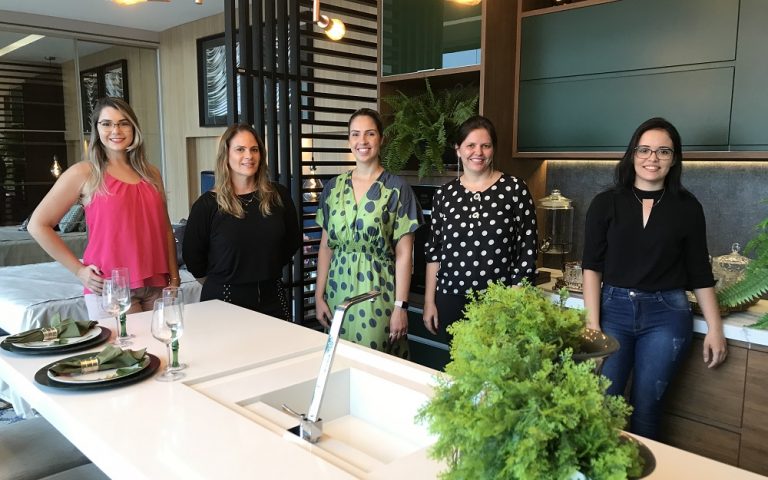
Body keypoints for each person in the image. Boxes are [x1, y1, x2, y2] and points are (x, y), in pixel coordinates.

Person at [582, 117, 727, 440]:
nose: (653, 158)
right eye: (645, 150)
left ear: (674, 159)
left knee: (647, 409)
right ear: (632, 154)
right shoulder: (606, 203)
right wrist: (593, 325)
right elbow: (591, 267)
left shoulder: (688, 207)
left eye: (663, 151)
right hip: (613, 312)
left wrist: (715, 329)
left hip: (667, 316)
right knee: (604, 406)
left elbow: (700, 273)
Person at [28, 97, 179, 318]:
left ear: (133, 128)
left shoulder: (151, 173)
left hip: (158, 284)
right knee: (126, 343)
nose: (116, 130)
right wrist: (79, 270)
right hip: (110, 287)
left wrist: (174, 277)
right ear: (97, 129)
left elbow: (165, 230)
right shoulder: (84, 173)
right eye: (107, 123)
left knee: (164, 341)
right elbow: (37, 225)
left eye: (123, 123)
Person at [314, 108, 423, 358]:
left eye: (370, 133)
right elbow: (326, 247)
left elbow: (404, 255)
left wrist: (400, 306)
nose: (362, 141)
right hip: (337, 294)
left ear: (381, 139)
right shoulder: (333, 188)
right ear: (349, 140)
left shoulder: (397, 189)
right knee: (338, 362)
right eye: (355, 134)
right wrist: (319, 296)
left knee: (373, 362)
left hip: (377, 295)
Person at [422, 115, 538, 340]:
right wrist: (429, 301)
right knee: (455, 361)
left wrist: (513, 300)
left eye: (486, 145)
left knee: (498, 361)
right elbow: (434, 253)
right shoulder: (444, 195)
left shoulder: (515, 189)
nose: (478, 152)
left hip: (500, 301)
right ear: (458, 149)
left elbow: (528, 248)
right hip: (450, 298)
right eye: (471, 145)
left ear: (493, 149)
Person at [183, 124, 300, 319]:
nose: (249, 156)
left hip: (272, 296)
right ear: (226, 155)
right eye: (240, 149)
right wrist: (223, 280)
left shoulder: (279, 195)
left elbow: (292, 241)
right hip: (224, 299)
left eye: (254, 149)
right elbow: (193, 259)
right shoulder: (206, 205)